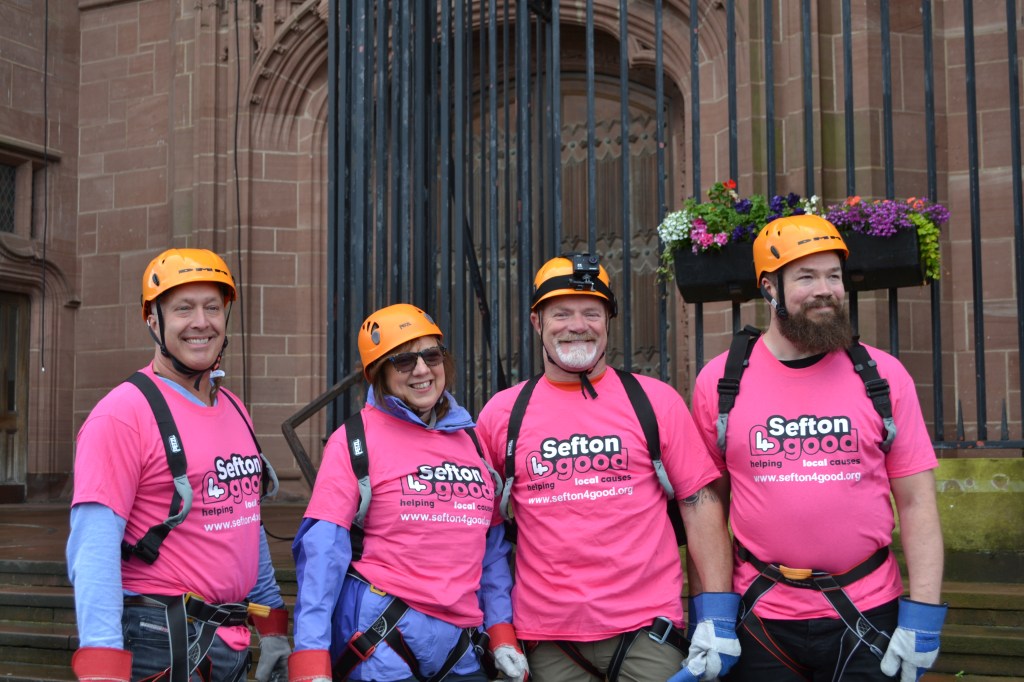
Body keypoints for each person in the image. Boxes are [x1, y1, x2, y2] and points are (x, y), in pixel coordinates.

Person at [690, 214, 947, 682]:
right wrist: (712, 613)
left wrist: (924, 616)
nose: (825, 290)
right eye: (806, 277)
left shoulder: (883, 376)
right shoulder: (720, 382)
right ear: (769, 288)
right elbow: (706, 505)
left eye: (833, 276)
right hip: (759, 615)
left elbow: (917, 502)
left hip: (868, 612)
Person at [474, 253, 739, 682]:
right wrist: (499, 628)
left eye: (592, 313)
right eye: (561, 313)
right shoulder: (501, 414)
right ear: (537, 322)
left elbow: (700, 505)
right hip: (546, 642)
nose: (578, 325)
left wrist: (717, 617)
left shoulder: (655, 400)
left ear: (608, 321)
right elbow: (483, 533)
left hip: (647, 634)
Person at [67, 248, 290, 681]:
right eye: (183, 309)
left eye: (212, 307)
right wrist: (102, 666)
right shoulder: (121, 415)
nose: (201, 322)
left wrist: (273, 627)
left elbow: (247, 522)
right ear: (153, 321)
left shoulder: (235, 408)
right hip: (158, 639)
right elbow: (93, 552)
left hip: (230, 638)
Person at [288, 303, 529, 682]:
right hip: (382, 641)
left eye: (431, 356)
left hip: (461, 647)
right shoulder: (353, 441)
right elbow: (322, 555)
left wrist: (501, 631)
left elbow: (492, 550)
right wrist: (310, 654)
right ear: (378, 373)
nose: (421, 370)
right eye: (403, 361)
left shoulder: (472, 441)